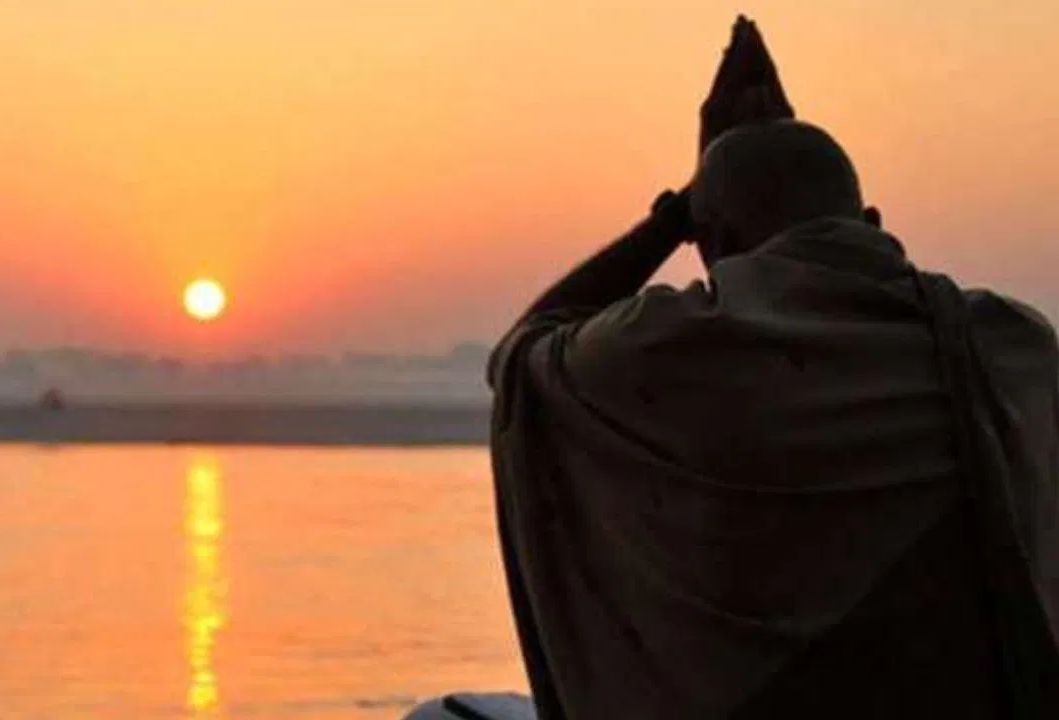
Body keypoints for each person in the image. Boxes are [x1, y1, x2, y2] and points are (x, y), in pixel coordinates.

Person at [406, 15, 1059, 720]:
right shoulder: (1009, 344)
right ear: (872, 223)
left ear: (711, 242)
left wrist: (673, 215)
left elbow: (523, 354)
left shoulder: (670, 346)